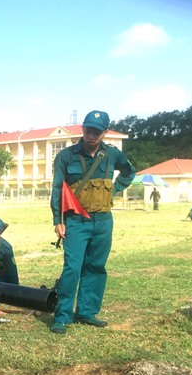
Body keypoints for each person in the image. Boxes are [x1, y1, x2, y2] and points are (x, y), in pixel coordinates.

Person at [50, 110, 135, 335]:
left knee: (96, 266)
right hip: (76, 220)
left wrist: (113, 190)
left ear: (105, 132)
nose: (91, 134)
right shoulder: (66, 156)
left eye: (97, 131)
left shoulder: (112, 155)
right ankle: (62, 315)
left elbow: (128, 172)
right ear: (83, 129)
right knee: (72, 267)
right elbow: (58, 188)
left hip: (103, 219)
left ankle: (87, 312)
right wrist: (57, 220)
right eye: (88, 129)